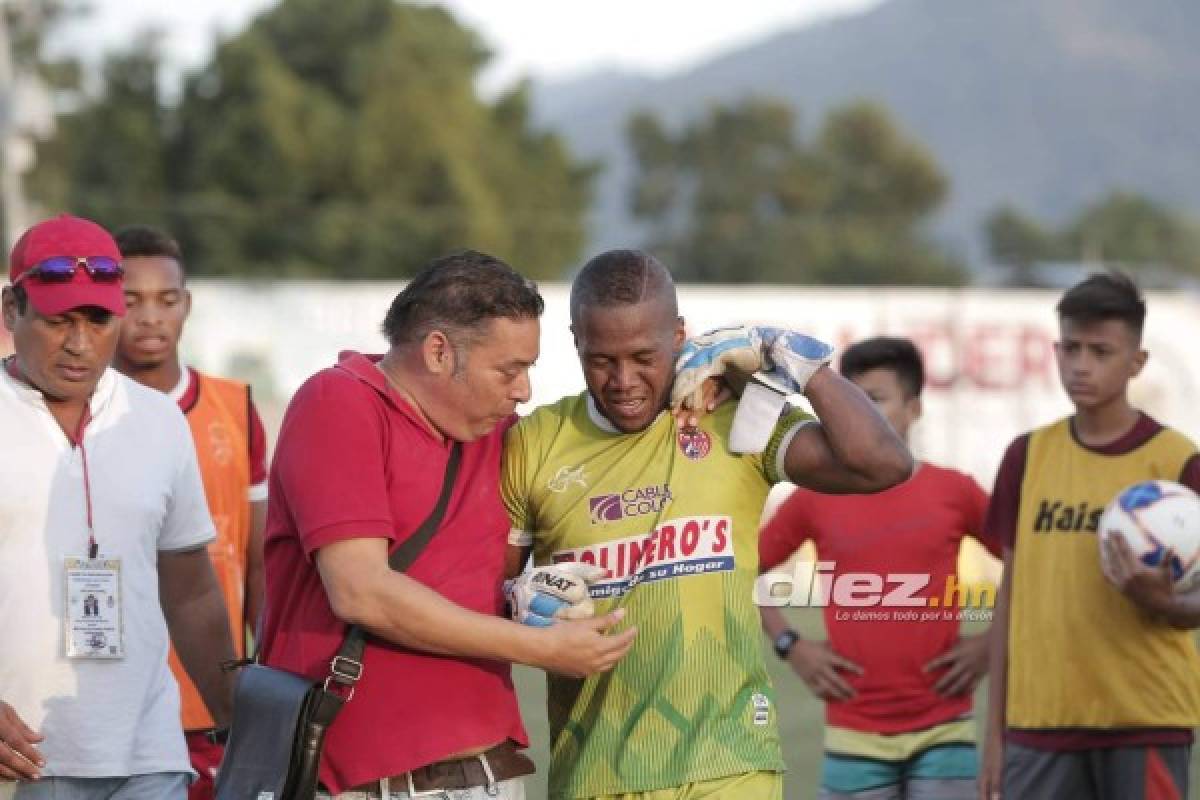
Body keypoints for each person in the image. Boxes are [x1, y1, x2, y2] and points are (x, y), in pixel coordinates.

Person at [501, 249, 913, 800]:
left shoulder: (735, 415)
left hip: (733, 764)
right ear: (575, 340)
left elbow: (883, 463)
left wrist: (796, 361)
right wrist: (519, 607)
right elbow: (489, 598)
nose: (624, 380)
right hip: (597, 774)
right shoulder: (535, 443)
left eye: (644, 355)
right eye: (601, 359)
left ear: (679, 336)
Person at [257, 250, 638, 800]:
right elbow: (362, 592)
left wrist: (702, 384)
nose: (524, 391)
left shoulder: (501, 433)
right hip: (356, 783)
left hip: (488, 773)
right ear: (439, 351)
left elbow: (622, 432)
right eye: (510, 369)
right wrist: (545, 650)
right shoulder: (337, 401)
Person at [0, 214, 236, 797]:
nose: (80, 344)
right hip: (22, 761)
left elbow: (191, 591)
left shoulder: (156, 420)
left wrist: (238, 720)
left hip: (149, 754)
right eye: (58, 321)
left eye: (99, 320)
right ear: (11, 311)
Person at [980, 271, 1200, 800]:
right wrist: (993, 736)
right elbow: (1011, 596)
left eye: (1100, 351)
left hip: (1145, 720)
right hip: (1039, 726)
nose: (1081, 365)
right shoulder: (1027, 456)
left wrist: (1164, 600)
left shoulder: (1178, 463)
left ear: (1137, 362)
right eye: (1071, 348)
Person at [758, 336, 1000, 800]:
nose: (861, 415)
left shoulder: (955, 491)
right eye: (853, 400)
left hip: (945, 726)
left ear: (915, 409)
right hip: (853, 728)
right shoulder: (814, 496)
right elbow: (745, 569)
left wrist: (990, 644)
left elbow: (1028, 564)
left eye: (876, 400)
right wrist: (791, 644)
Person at [111, 225, 270, 799]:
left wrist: (265, 674)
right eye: (131, 301)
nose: (151, 317)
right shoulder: (84, 411)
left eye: (167, 299)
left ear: (188, 304)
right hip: (116, 700)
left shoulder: (235, 406)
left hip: (213, 692)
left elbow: (258, 558)